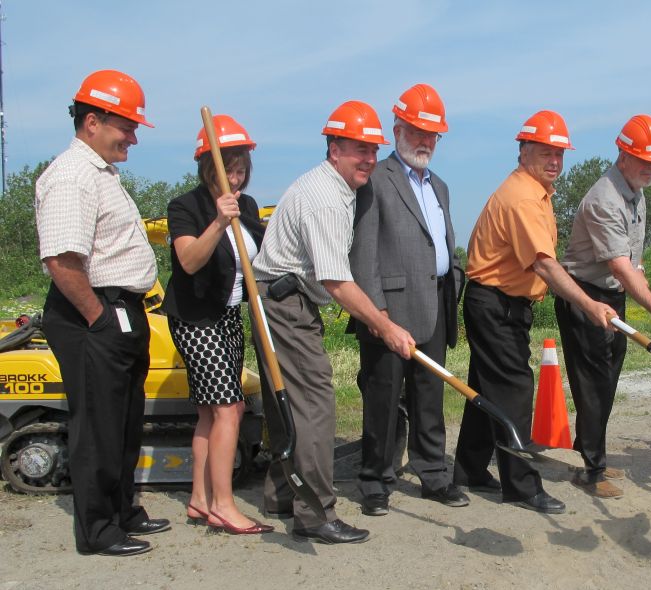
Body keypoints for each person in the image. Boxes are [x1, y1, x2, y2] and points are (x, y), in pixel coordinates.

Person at [251, 101, 416, 544]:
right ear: (334, 147)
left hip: (284, 301)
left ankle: (282, 494)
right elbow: (337, 282)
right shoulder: (324, 198)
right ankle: (315, 514)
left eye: (372, 150)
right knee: (315, 406)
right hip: (285, 306)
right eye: (358, 149)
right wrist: (386, 326)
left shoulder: (337, 190)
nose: (367, 159)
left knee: (290, 407)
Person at [452, 110, 617, 513]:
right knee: (514, 390)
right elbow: (543, 263)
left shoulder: (535, 192)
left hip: (499, 303)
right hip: (495, 304)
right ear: (523, 150)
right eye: (546, 152)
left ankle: (470, 469)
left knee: (487, 388)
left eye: (559, 154)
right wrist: (589, 302)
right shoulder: (524, 198)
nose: (555, 161)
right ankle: (523, 486)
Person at [34, 70, 170, 556]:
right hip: (91, 312)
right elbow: (62, 262)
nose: (132, 137)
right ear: (92, 121)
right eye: (126, 126)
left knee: (126, 418)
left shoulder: (101, 173)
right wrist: (98, 318)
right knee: (98, 424)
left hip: (118, 309)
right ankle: (98, 530)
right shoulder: (71, 176)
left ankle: (122, 510)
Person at [347, 84, 467, 516]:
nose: (425, 141)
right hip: (388, 309)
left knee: (429, 395)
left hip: (434, 302)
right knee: (382, 397)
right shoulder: (376, 179)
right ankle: (375, 481)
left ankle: (433, 474)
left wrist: (452, 276)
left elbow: (444, 245)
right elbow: (363, 256)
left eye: (433, 134)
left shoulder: (441, 187)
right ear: (397, 129)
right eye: (418, 131)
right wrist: (377, 314)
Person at [557, 115, 651, 499]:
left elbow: (634, 264)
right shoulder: (604, 198)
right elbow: (619, 267)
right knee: (593, 384)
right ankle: (592, 471)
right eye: (645, 161)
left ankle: (592, 451)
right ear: (623, 155)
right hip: (584, 295)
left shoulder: (636, 193)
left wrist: (646, 300)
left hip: (613, 294)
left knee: (609, 380)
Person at [162, 114, 272, 535]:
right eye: (230, 168)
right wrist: (219, 222)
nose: (238, 177)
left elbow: (259, 253)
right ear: (208, 166)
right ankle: (224, 505)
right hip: (194, 318)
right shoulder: (185, 207)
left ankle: (199, 499)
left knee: (212, 411)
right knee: (229, 409)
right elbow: (189, 261)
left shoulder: (246, 205)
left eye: (243, 168)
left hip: (227, 316)